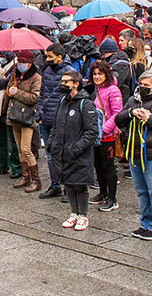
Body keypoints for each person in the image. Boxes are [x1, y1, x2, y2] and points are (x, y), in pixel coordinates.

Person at [115, 70, 152, 239]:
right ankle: (145, 223)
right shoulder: (133, 100)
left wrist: (149, 118)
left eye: (147, 85)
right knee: (141, 191)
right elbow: (119, 119)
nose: (142, 88)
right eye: (141, 84)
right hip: (133, 151)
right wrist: (131, 113)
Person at [47, 69, 99, 231]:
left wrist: (77, 148)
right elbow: (55, 125)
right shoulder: (62, 101)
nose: (62, 84)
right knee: (68, 183)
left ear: (76, 84)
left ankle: (83, 215)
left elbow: (91, 131)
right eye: (62, 81)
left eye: (66, 82)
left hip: (78, 153)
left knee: (80, 184)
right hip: (62, 150)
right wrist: (51, 142)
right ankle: (73, 213)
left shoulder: (86, 103)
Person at [36, 43, 75, 199]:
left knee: (64, 155)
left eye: (50, 57)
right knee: (50, 155)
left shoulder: (70, 72)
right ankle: (55, 185)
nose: (47, 59)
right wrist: (39, 112)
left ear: (60, 57)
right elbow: (42, 93)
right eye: (46, 56)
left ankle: (67, 187)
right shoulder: (46, 71)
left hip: (61, 119)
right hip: (46, 118)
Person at [88, 59, 123, 212]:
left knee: (109, 167)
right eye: (95, 74)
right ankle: (102, 193)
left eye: (100, 74)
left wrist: (105, 129)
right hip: (95, 135)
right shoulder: (94, 89)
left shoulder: (113, 90)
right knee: (98, 166)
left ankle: (112, 198)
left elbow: (117, 113)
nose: (97, 76)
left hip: (107, 135)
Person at [5, 50, 42, 192]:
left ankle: (36, 180)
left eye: (23, 62)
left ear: (30, 63)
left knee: (26, 148)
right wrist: (10, 90)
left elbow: (35, 98)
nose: (21, 65)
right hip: (14, 114)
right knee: (19, 148)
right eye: (19, 62)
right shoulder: (15, 75)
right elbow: (9, 90)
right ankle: (25, 176)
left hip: (27, 116)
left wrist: (17, 92)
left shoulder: (36, 77)